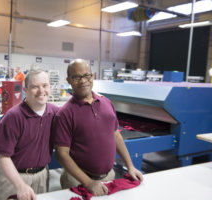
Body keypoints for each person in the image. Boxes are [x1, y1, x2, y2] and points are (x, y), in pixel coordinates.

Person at [52, 58, 143, 196]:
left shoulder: (106, 103)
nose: (83, 81)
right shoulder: (65, 113)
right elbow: (61, 154)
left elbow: (116, 135)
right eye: (76, 77)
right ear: (68, 80)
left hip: (108, 176)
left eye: (86, 75)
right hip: (78, 180)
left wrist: (130, 166)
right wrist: (88, 183)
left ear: (92, 76)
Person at [0, 69, 59, 200]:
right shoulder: (13, 117)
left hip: (42, 175)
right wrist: (20, 186)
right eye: (35, 87)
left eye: (45, 86)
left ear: (50, 87)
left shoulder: (55, 113)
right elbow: (2, 157)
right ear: (25, 90)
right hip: (13, 179)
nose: (41, 91)